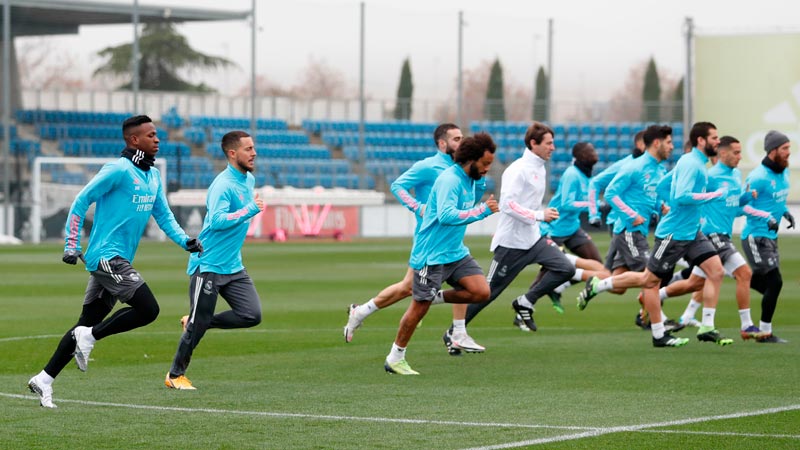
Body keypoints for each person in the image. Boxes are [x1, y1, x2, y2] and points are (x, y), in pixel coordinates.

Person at [27, 115, 202, 408]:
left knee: (86, 322)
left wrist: (185, 241)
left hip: (115, 260)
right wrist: (72, 245)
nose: (157, 139)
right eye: (151, 135)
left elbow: (164, 216)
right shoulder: (118, 170)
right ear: (134, 140)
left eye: (157, 135)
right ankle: (91, 336)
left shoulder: (153, 175)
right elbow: (81, 200)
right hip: (107, 257)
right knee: (148, 309)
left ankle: (44, 379)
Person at [579, 122, 733, 347]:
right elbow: (613, 192)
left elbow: (663, 188)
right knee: (649, 280)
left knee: (716, 271)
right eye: (669, 142)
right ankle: (656, 331)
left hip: (691, 231)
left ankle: (707, 327)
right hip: (663, 232)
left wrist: (661, 205)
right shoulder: (642, 166)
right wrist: (713, 195)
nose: (672, 146)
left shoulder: (668, 166)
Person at [344, 123, 487, 356]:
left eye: (462, 138)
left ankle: (458, 332)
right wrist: (417, 207)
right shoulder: (429, 166)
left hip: (451, 240)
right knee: (408, 288)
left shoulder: (463, 169)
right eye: (456, 139)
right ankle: (362, 314)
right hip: (430, 241)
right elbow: (398, 185)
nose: (461, 142)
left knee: (457, 283)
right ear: (442, 144)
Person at [384, 133, 499, 375]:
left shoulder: (470, 179)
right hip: (431, 254)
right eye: (485, 163)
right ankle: (395, 357)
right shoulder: (450, 180)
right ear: (471, 160)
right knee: (418, 309)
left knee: (481, 291)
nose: (488, 169)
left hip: (455, 252)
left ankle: (434, 296)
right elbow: (446, 215)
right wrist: (482, 211)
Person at [165, 131, 265, 390]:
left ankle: (196, 319)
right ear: (233, 154)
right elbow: (218, 221)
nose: (254, 153)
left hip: (233, 265)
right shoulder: (222, 185)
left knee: (251, 315)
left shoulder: (248, 179)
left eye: (253, 148)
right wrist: (249, 210)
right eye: (248, 149)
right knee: (199, 324)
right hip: (207, 264)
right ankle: (175, 375)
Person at [651, 136, 776, 339]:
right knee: (744, 273)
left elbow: (733, 208)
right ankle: (745, 325)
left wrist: (745, 199)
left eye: (740, 152)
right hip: (711, 233)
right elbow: (690, 196)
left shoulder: (735, 175)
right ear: (723, 153)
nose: (740, 156)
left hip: (721, 234)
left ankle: (655, 295)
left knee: (694, 284)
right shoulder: (711, 175)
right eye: (736, 152)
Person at [462, 122, 576, 334]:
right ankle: (455, 331)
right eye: (549, 143)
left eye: (553, 143)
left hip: (533, 239)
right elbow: (507, 205)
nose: (553, 148)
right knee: (487, 293)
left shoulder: (540, 168)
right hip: (511, 243)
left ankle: (525, 301)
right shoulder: (518, 170)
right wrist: (539, 215)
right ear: (534, 143)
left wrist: (538, 219)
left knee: (565, 268)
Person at [536, 142, 608, 313]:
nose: (595, 153)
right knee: (547, 273)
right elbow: (567, 204)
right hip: (555, 229)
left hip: (572, 228)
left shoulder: (587, 175)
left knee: (597, 265)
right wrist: (592, 205)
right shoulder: (571, 174)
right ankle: (526, 305)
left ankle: (559, 288)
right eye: (591, 151)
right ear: (581, 155)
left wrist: (593, 208)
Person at [740, 130, 792, 343]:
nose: (789, 152)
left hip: (771, 236)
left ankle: (734, 273)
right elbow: (743, 206)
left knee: (766, 282)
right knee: (775, 282)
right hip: (755, 236)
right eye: (785, 148)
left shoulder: (784, 172)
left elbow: (776, 201)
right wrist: (767, 217)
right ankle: (764, 332)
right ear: (773, 151)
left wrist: (785, 212)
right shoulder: (758, 177)